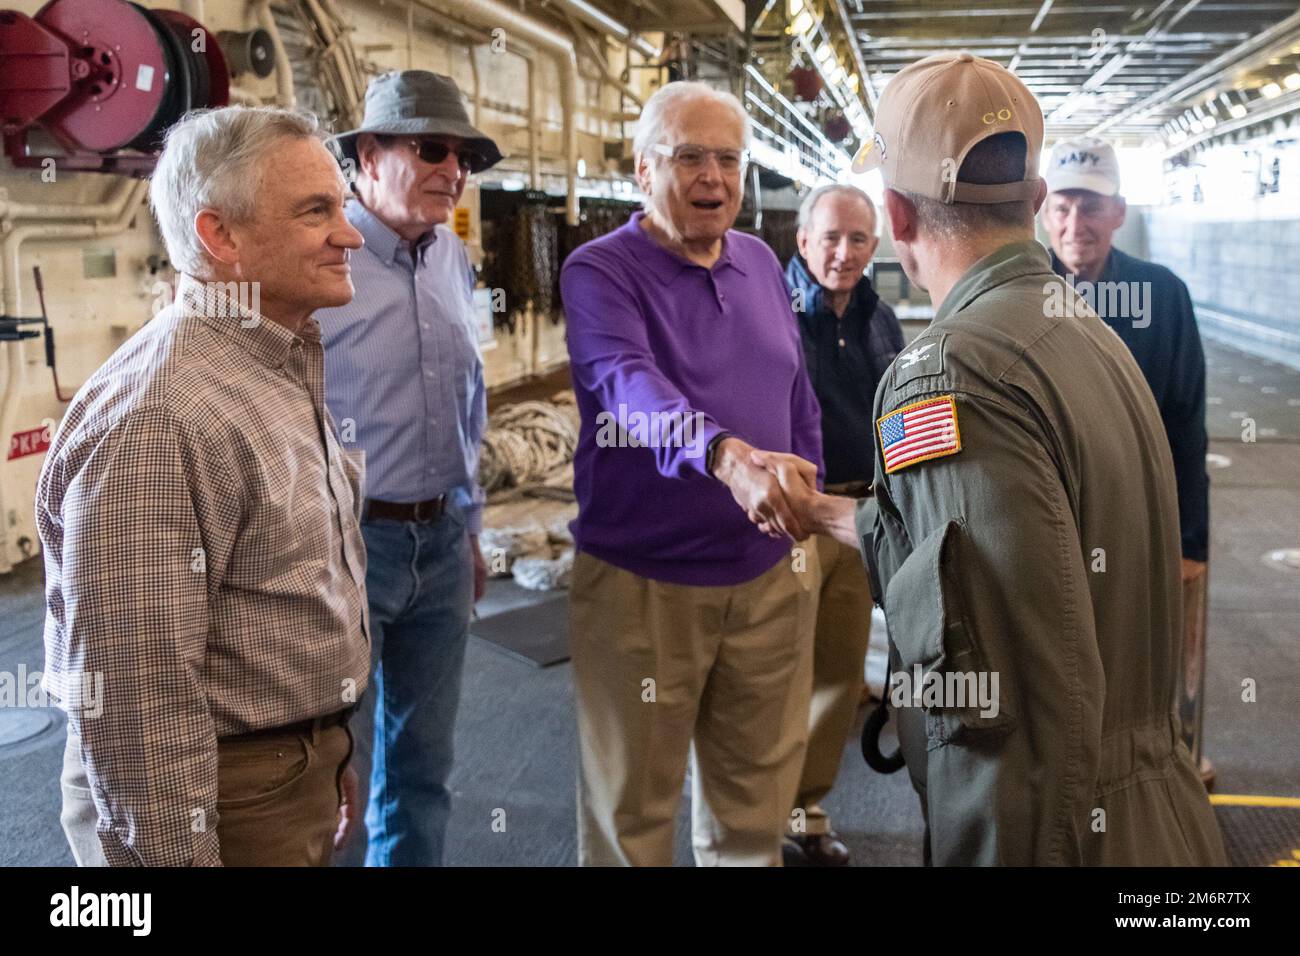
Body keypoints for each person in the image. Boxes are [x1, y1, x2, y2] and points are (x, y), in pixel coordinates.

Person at [753, 52, 1226, 865]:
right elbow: (1017, 542)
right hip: (1160, 819)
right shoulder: (1090, 337)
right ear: (1037, 202)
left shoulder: (946, 371)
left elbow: (997, 714)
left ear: (896, 217)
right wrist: (835, 514)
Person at [35, 106, 370, 866]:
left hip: (287, 771)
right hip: (216, 799)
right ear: (220, 235)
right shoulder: (164, 413)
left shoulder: (270, 360)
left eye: (341, 207)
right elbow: (133, 700)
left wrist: (328, 759)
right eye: (317, 211)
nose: (349, 235)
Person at [560, 80, 824, 866]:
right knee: (631, 814)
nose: (713, 177)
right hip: (647, 586)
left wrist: (808, 495)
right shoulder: (600, 271)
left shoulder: (757, 261)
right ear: (644, 171)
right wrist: (727, 458)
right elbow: (627, 386)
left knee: (755, 810)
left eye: (728, 160)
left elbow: (794, 389)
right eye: (688, 158)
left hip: (771, 577)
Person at [317, 71, 500, 866]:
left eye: (461, 158)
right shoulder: (319, 265)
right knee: (332, 774)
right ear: (368, 153)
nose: (452, 172)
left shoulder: (451, 255)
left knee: (425, 768)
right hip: (345, 547)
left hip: (442, 539)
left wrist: (472, 527)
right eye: (432, 149)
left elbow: (471, 401)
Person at [782, 184, 903, 865]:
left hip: (858, 518)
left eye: (858, 239)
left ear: (874, 245)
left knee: (837, 674)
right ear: (803, 240)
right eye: (830, 237)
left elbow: (899, 419)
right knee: (772, 671)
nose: (843, 252)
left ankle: (804, 812)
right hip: (792, 518)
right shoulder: (766, 311)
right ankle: (748, 813)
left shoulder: (881, 319)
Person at [1042, 136, 1208, 585]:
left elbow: (1186, 423)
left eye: (1091, 207)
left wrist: (1190, 541)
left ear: (1119, 212)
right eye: (1062, 208)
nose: (1075, 224)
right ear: (1043, 213)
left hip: (1135, 520)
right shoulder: (1015, 295)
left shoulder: (1162, 294)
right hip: (1041, 523)